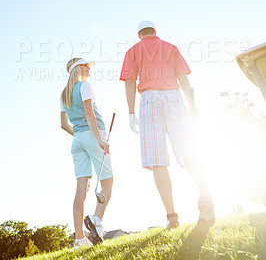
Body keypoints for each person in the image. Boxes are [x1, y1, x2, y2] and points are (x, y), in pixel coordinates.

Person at [120, 21, 215, 228]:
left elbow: (129, 81)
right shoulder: (170, 47)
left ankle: (172, 217)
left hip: (149, 99)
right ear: (155, 32)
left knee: (158, 160)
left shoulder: (133, 51)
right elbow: (183, 79)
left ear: (139, 35)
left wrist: (130, 112)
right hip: (174, 96)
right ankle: (205, 191)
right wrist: (192, 106)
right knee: (187, 149)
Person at [60, 57, 113, 247]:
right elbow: (89, 113)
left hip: (77, 140)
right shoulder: (85, 86)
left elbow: (63, 124)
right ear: (78, 69)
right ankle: (97, 223)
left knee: (81, 189)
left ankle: (79, 239)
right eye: (86, 66)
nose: (89, 68)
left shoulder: (63, 94)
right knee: (107, 182)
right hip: (92, 136)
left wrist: (80, 135)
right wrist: (98, 139)